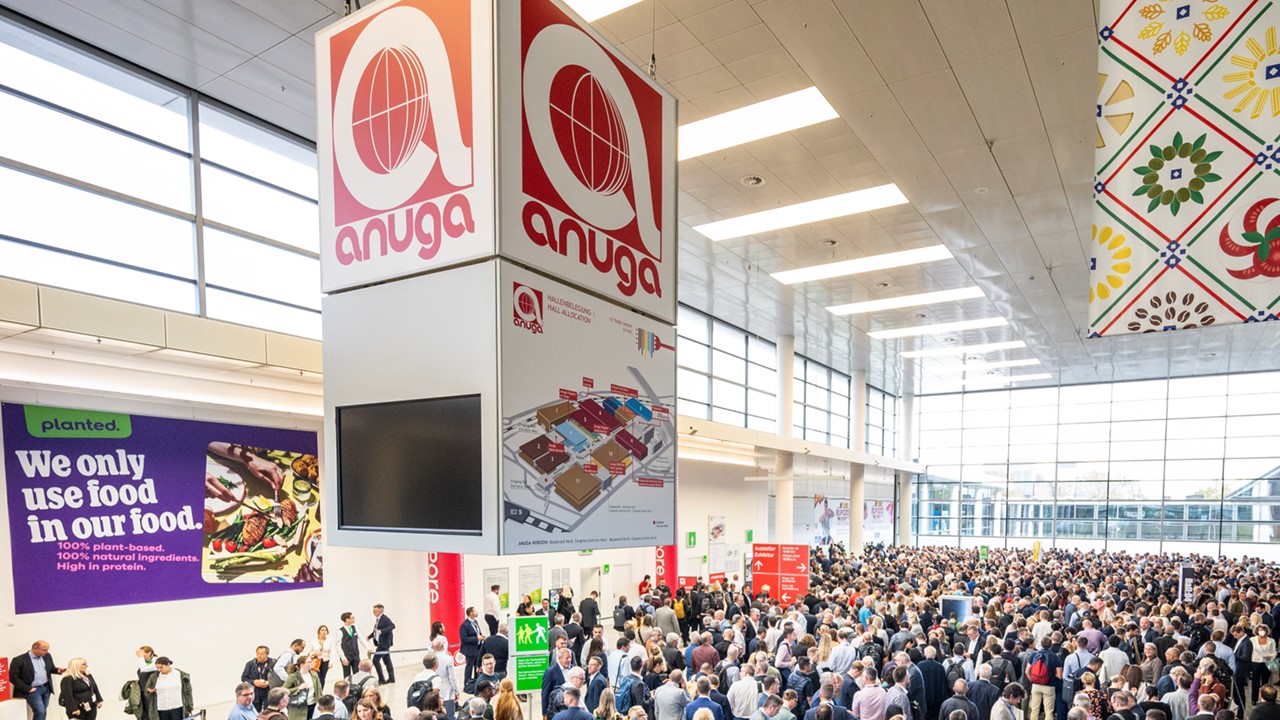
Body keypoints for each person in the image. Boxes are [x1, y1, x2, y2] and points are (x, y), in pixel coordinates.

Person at [10, 640, 63, 720]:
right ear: (35, 648)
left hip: (46, 688)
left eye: (47, 649)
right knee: (40, 711)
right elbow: (13, 677)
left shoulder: (47, 656)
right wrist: (28, 688)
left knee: (43, 711)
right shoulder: (19, 660)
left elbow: (51, 668)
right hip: (33, 690)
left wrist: (57, 670)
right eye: (44, 650)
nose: (47, 652)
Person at [284, 656, 322, 720]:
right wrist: (298, 688)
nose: (312, 663)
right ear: (302, 665)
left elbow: (319, 690)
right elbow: (284, 690)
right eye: (309, 662)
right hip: (299, 708)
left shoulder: (314, 674)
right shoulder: (293, 676)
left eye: (311, 661)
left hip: (313, 705)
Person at [369, 604, 397, 684]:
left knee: (375, 660)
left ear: (381, 611)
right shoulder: (378, 619)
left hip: (384, 644)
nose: (373, 612)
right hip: (380, 643)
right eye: (373, 610)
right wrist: (370, 636)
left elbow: (392, 626)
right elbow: (376, 631)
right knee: (387, 661)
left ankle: (382, 679)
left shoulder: (385, 618)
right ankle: (391, 678)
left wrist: (382, 631)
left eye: (375, 611)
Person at [243, 645, 274, 711]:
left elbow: (279, 678)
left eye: (262, 654)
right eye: (257, 654)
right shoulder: (250, 664)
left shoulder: (274, 663)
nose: (259, 656)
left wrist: (269, 682)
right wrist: (253, 682)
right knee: (255, 712)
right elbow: (244, 678)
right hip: (255, 692)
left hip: (269, 691)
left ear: (267, 654)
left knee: (268, 712)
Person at [463, 606, 487, 691]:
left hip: (478, 648)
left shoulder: (475, 622)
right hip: (470, 650)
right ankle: (467, 684)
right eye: (475, 611)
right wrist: (477, 638)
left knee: (478, 665)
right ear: (471, 613)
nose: (477, 612)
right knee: (469, 667)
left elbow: (477, 632)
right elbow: (464, 638)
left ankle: (477, 683)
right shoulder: (465, 625)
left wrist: (481, 636)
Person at [341, 613, 366, 679]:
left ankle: (358, 688)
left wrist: (368, 648)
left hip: (355, 655)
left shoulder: (354, 627)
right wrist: (343, 658)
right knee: (347, 675)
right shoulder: (340, 631)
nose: (354, 619)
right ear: (347, 619)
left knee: (357, 673)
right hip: (346, 656)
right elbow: (338, 646)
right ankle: (347, 688)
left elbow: (361, 638)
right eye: (352, 617)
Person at [137, 647, 159, 720]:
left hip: (152, 692)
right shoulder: (144, 663)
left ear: (149, 653)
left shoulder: (155, 661)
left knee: (152, 711)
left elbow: (145, 669)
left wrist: (140, 658)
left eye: (143, 653)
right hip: (143, 691)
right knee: (144, 713)